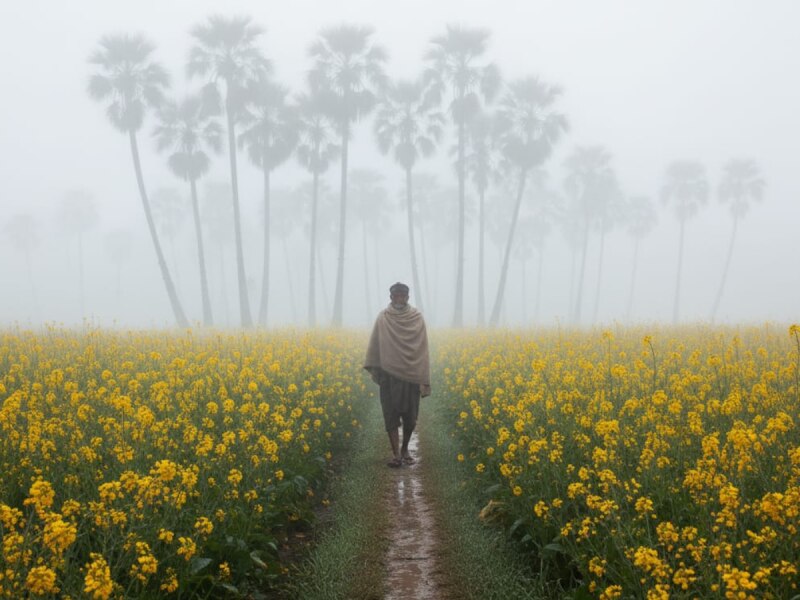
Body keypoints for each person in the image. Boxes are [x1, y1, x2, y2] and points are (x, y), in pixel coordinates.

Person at [364, 282, 431, 468]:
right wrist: (379, 369)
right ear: (391, 297)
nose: (399, 298)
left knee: (411, 418)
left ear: (408, 297)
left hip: (411, 377)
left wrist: (422, 376)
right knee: (390, 416)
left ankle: (405, 449)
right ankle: (396, 454)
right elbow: (376, 345)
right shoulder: (383, 318)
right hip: (389, 377)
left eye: (403, 295)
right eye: (396, 296)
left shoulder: (417, 318)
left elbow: (422, 349)